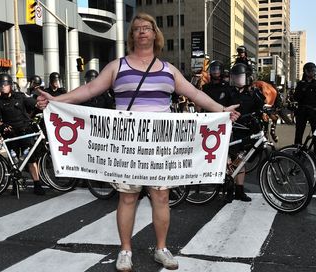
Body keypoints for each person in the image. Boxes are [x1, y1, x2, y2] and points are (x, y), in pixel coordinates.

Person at [37, 12, 240, 271]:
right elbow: (88, 91)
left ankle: (161, 248)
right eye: (137, 28)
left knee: (161, 197)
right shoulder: (117, 66)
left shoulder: (168, 70)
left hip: (160, 148)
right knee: (127, 198)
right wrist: (55, 100)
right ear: (132, 36)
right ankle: (125, 250)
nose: (142, 31)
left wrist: (222, 110)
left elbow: (196, 94)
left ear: (155, 34)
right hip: (126, 146)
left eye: (147, 27)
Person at [0, 73, 45, 195]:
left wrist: (40, 104)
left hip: (25, 131)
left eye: (6, 84)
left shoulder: (20, 96)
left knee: (31, 158)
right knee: (14, 160)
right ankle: (15, 185)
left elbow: (33, 103)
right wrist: (2, 125)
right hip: (10, 134)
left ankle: (37, 184)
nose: (3, 86)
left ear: (11, 85)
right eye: (1, 84)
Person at [225, 63, 265, 203]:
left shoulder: (253, 93)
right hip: (232, 130)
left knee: (242, 161)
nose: (237, 79)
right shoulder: (228, 92)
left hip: (247, 131)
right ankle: (229, 190)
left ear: (247, 78)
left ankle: (240, 191)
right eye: (235, 77)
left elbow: (262, 107)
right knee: (230, 161)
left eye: (240, 77)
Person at [293, 62, 316, 149]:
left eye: (314, 70)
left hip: (313, 111)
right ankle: (297, 148)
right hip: (302, 111)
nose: (314, 72)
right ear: (306, 71)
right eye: (312, 70)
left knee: (315, 132)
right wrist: (303, 89)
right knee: (299, 131)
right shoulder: (300, 84)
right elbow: (296, 98)